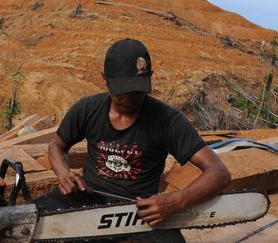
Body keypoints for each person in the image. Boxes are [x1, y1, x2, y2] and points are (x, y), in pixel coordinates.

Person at [39, 38, 231, 242]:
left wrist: (175, 201)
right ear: (105, 79)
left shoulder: (167, 120)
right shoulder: (87, 108)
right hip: (87, 199)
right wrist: (64, 174)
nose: (129, 99)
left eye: (137, 91)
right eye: (122, 92)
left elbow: (219, 173)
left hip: (139, 214)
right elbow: (56, 147)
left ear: (151, 77)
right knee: (33, 220)